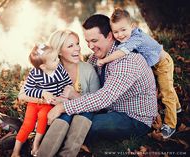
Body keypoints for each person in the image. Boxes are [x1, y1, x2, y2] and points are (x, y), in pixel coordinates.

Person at [43, 14, 158, 154]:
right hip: (110, 109)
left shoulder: (127, 60)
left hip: (133, 118)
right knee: (73, 119)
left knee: (82, 126)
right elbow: (90, 88)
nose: (90, 46)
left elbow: (104, 97)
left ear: (109, 36)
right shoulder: (96, 57)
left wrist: (63, 107)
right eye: (87, 41)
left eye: (94, 40)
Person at [96, 8, 181, 139]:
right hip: (153, 63)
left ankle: (171, 124)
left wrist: (104, 60)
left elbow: (122, 52)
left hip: (163, 63)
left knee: (166, 92)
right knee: (167, 88)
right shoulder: (127, 37)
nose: (120, 35)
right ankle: (177, 108)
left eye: (123, 30)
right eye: (116, 32)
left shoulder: (136, 37)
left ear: (132, 26)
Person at [37, 30, 100, 157]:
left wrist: (72, 97)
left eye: (77, 44)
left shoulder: (88, 70)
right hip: (54, 118)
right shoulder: (50, 70)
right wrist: (49, 98)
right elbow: (29, 93)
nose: (77, 49)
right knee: (65, 116)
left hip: (83, 116)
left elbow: (97, 102)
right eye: (70, 46)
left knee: (84, 112)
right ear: (59, 51)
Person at [11, 43, 73, 157]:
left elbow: (68, 82)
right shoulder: (35, 73)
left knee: (43, 119)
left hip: (48, 104)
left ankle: (36, 143)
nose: (58, 61)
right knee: (28, 125)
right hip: (34, 102)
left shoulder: (59, 69)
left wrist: (64, 95)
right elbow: (28, 90)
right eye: (54, 60)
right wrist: (43, 93)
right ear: (43, 66)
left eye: (57, 58)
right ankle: (15, 151)